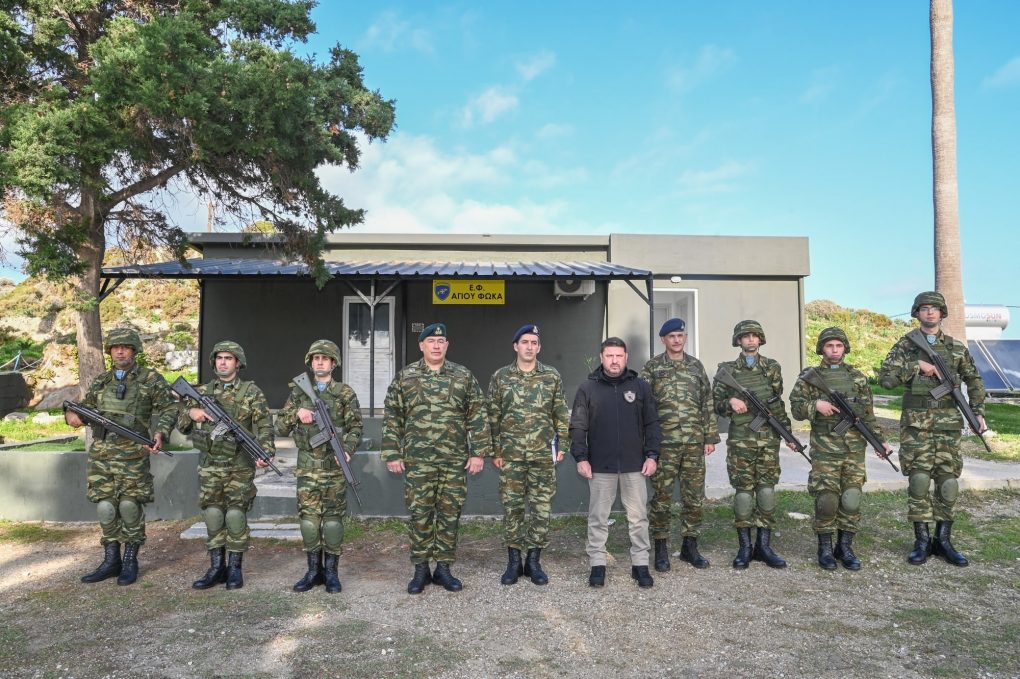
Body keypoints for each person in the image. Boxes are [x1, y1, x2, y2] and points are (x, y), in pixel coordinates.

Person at [64, 327, 178, 586]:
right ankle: (110, 560)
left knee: (129, 506)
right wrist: (71, 415)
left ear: (134, 350)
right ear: (110, 351)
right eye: (116, 347)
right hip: (102, 455)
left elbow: (170, 407)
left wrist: (160, 432)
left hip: (133, 455)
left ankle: (130, 560)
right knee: (105, 507)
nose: (120, 351)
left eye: (125, 347)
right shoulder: (103, 381)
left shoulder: (150, 379)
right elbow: (83, 409)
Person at [879, 291, 986, 567]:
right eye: (924, 308)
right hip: (916, 425)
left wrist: (977, 412)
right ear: (917, 313)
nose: (929, 312)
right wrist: (916, 366)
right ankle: (922, 541)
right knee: (919, 480)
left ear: (942, 313)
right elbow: (886, 380)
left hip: (948, 424)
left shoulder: (956, 348)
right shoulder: (906, 346)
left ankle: (943, 540)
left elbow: (974, 380)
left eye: (934, 308)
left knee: (948, 481)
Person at [383, 323, 491, 594]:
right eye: (431, 341)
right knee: (419, 513)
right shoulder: (406, 377)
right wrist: (392, 452)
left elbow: (478, 414)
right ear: (421, 345)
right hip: (418, 461)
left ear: (447, 345)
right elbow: (393, 416)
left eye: (441, 341)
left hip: (453, 460)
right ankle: (421, 569)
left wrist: (478, 452)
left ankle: (443, 568)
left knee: (449, 514)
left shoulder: (462, 375)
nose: (436, 345)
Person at [791, 327, 893, 570]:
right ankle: (825, 548)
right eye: (829, 346)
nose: (835, 350)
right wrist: (816, 405)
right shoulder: (810, 377)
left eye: (838, 346)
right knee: (827, 499)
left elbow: (867, 415)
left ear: (845, 348)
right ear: (822, 349)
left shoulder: (858, 378)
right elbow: (796, 409)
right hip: (825, 448)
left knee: (851, 498)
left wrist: (879, 441)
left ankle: (845, 547)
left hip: (854, 449)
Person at [180, 341, 276, 590]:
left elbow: (264, 425)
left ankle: (234, 568)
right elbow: (181, 424)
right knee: (213, 514)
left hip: (239, 465)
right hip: (210, 464)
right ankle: (216, 568)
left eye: (228, 358)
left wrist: (266, 452)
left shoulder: (251, 392)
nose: (223, 362)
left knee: (235, 514)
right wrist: (191, 414)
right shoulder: (202, 391)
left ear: (238, 363)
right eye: (219, 358)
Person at [570, 337, 660, 589]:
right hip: (600, 466)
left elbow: (652, 423)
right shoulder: (588, 388)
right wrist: (581, 457)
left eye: (619, 356)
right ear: (601, 358)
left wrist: (652, 455)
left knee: (638, 518)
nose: (614, 361)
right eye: (609, 356)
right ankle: (597, 564)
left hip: (635, 465)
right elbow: (578, 425)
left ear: (626, 357)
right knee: (598, 518)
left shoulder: (640, 387)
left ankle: (640, 565)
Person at [276, 340, 363, 593]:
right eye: (316, 358)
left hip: (334, 469)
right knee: (309, 522)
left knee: (333, 522)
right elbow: (280, 427)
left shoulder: (345, 393)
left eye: (325, 358)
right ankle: (313, 571)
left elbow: (356, 427)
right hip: (308, 468)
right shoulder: (298, 393)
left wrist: (347, 449)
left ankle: (332, 573)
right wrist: (297, 412)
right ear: (311, 363)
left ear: (334, 363)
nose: (320, 362)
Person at [487, 324, 570, 586]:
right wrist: (495, 450)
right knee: (512, 509)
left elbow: (560, 412)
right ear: (516, 346)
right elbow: (493, 416)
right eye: (525, 342)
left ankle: (533, 561)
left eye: (534, 343)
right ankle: (514, 562)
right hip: (510, 456)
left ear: (539, 347)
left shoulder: (551, 376)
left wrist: (563, 445)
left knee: (541, 509)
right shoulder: (501, 376)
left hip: (542, 455)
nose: (529, 347)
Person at [640, 318, 719, 571]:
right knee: (662, 497)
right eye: (671, 336)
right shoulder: (652, 367)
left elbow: (707, 402)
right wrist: (646, 442)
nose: (676, 340)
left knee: (693, 497)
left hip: (694, 442)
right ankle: (661, 547)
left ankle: (689, 546)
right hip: (664, 444)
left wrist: (710, 437)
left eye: (680, 335)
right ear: (663, 339)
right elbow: (643, 406)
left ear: (685, 338)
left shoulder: (696, 366)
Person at [712, 320, 792, 570]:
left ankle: (764, 547)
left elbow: (776, 403)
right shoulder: (727, 370)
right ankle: (745, 547)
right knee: (744, 493)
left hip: (768, 439)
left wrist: (787, 434)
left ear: (760, 339)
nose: (750, 340)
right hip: (741, 440)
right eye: (745, 336)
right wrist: (731, 402)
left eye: (754, 336)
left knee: (766, 491)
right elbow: (715, 403)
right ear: (738, 340)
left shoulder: (772, 367)